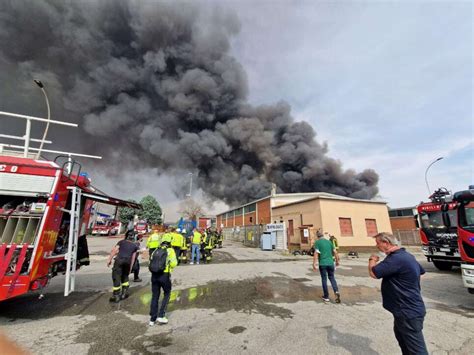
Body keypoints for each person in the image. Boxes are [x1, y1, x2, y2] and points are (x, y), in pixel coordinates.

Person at [368, 232, 428, 355]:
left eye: (378, 243)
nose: (377, 246)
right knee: (404, 341)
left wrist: (372, 260)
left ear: (386, 243)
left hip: (407, 310)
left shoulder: (396, 259)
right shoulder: (406, 256)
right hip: (403, 310)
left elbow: (374, 273)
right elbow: (420, 273)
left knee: (416, 349)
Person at [149, 234, 177, 325]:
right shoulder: (170, 250)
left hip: (154, 275)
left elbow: (150, 262)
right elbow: (174, 263)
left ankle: (152, 319)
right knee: (167, 293)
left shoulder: (156, 250)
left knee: (155, 296)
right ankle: (161, 315)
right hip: (164, 275)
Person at [107, 231, 139, 302]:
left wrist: (109, 259)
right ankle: (124, 293)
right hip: (127, 262)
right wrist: (130, 269)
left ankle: (116, 296)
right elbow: (133, 259)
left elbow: (114, 250)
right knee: (125, 276)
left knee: (116, 276)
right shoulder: (135, 246)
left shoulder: (121, 242)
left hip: (119, 260)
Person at [312, 232, 341, 303]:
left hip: (323, 264)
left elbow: (316, 253)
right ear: (323, 236)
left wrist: (314, 264)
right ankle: (336, 291)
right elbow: (335, 252)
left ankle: (326, 296)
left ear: (317, 236)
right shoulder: (329, 242)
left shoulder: (317, 243)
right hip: (331, 263)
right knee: (332, 278)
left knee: (324, 279)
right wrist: (337, 261)